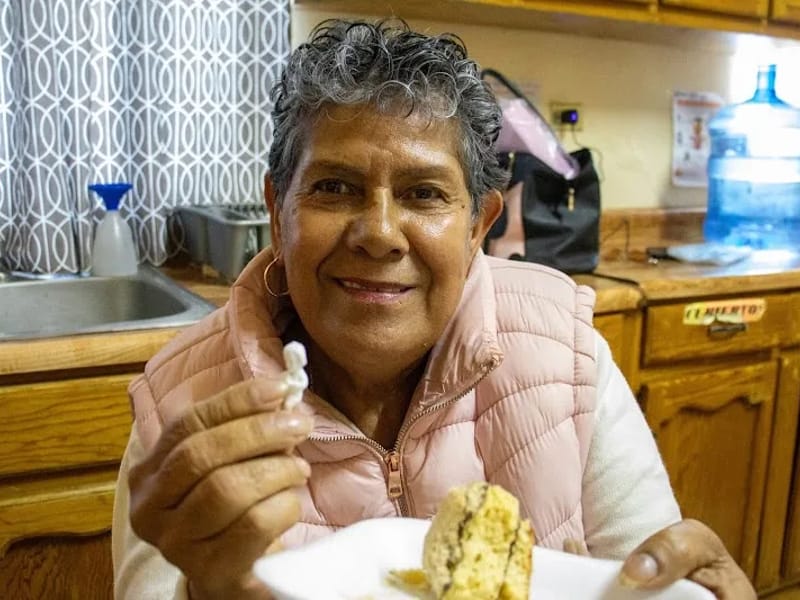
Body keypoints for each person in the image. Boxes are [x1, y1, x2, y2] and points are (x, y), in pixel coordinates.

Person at [112, 18, 756, 600]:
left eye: (424, 193)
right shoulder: (182, 408)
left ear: (480, 225)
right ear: (279, 213)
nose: (380, 233)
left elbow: (647, 573)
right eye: (335, 187)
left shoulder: (568, 353)